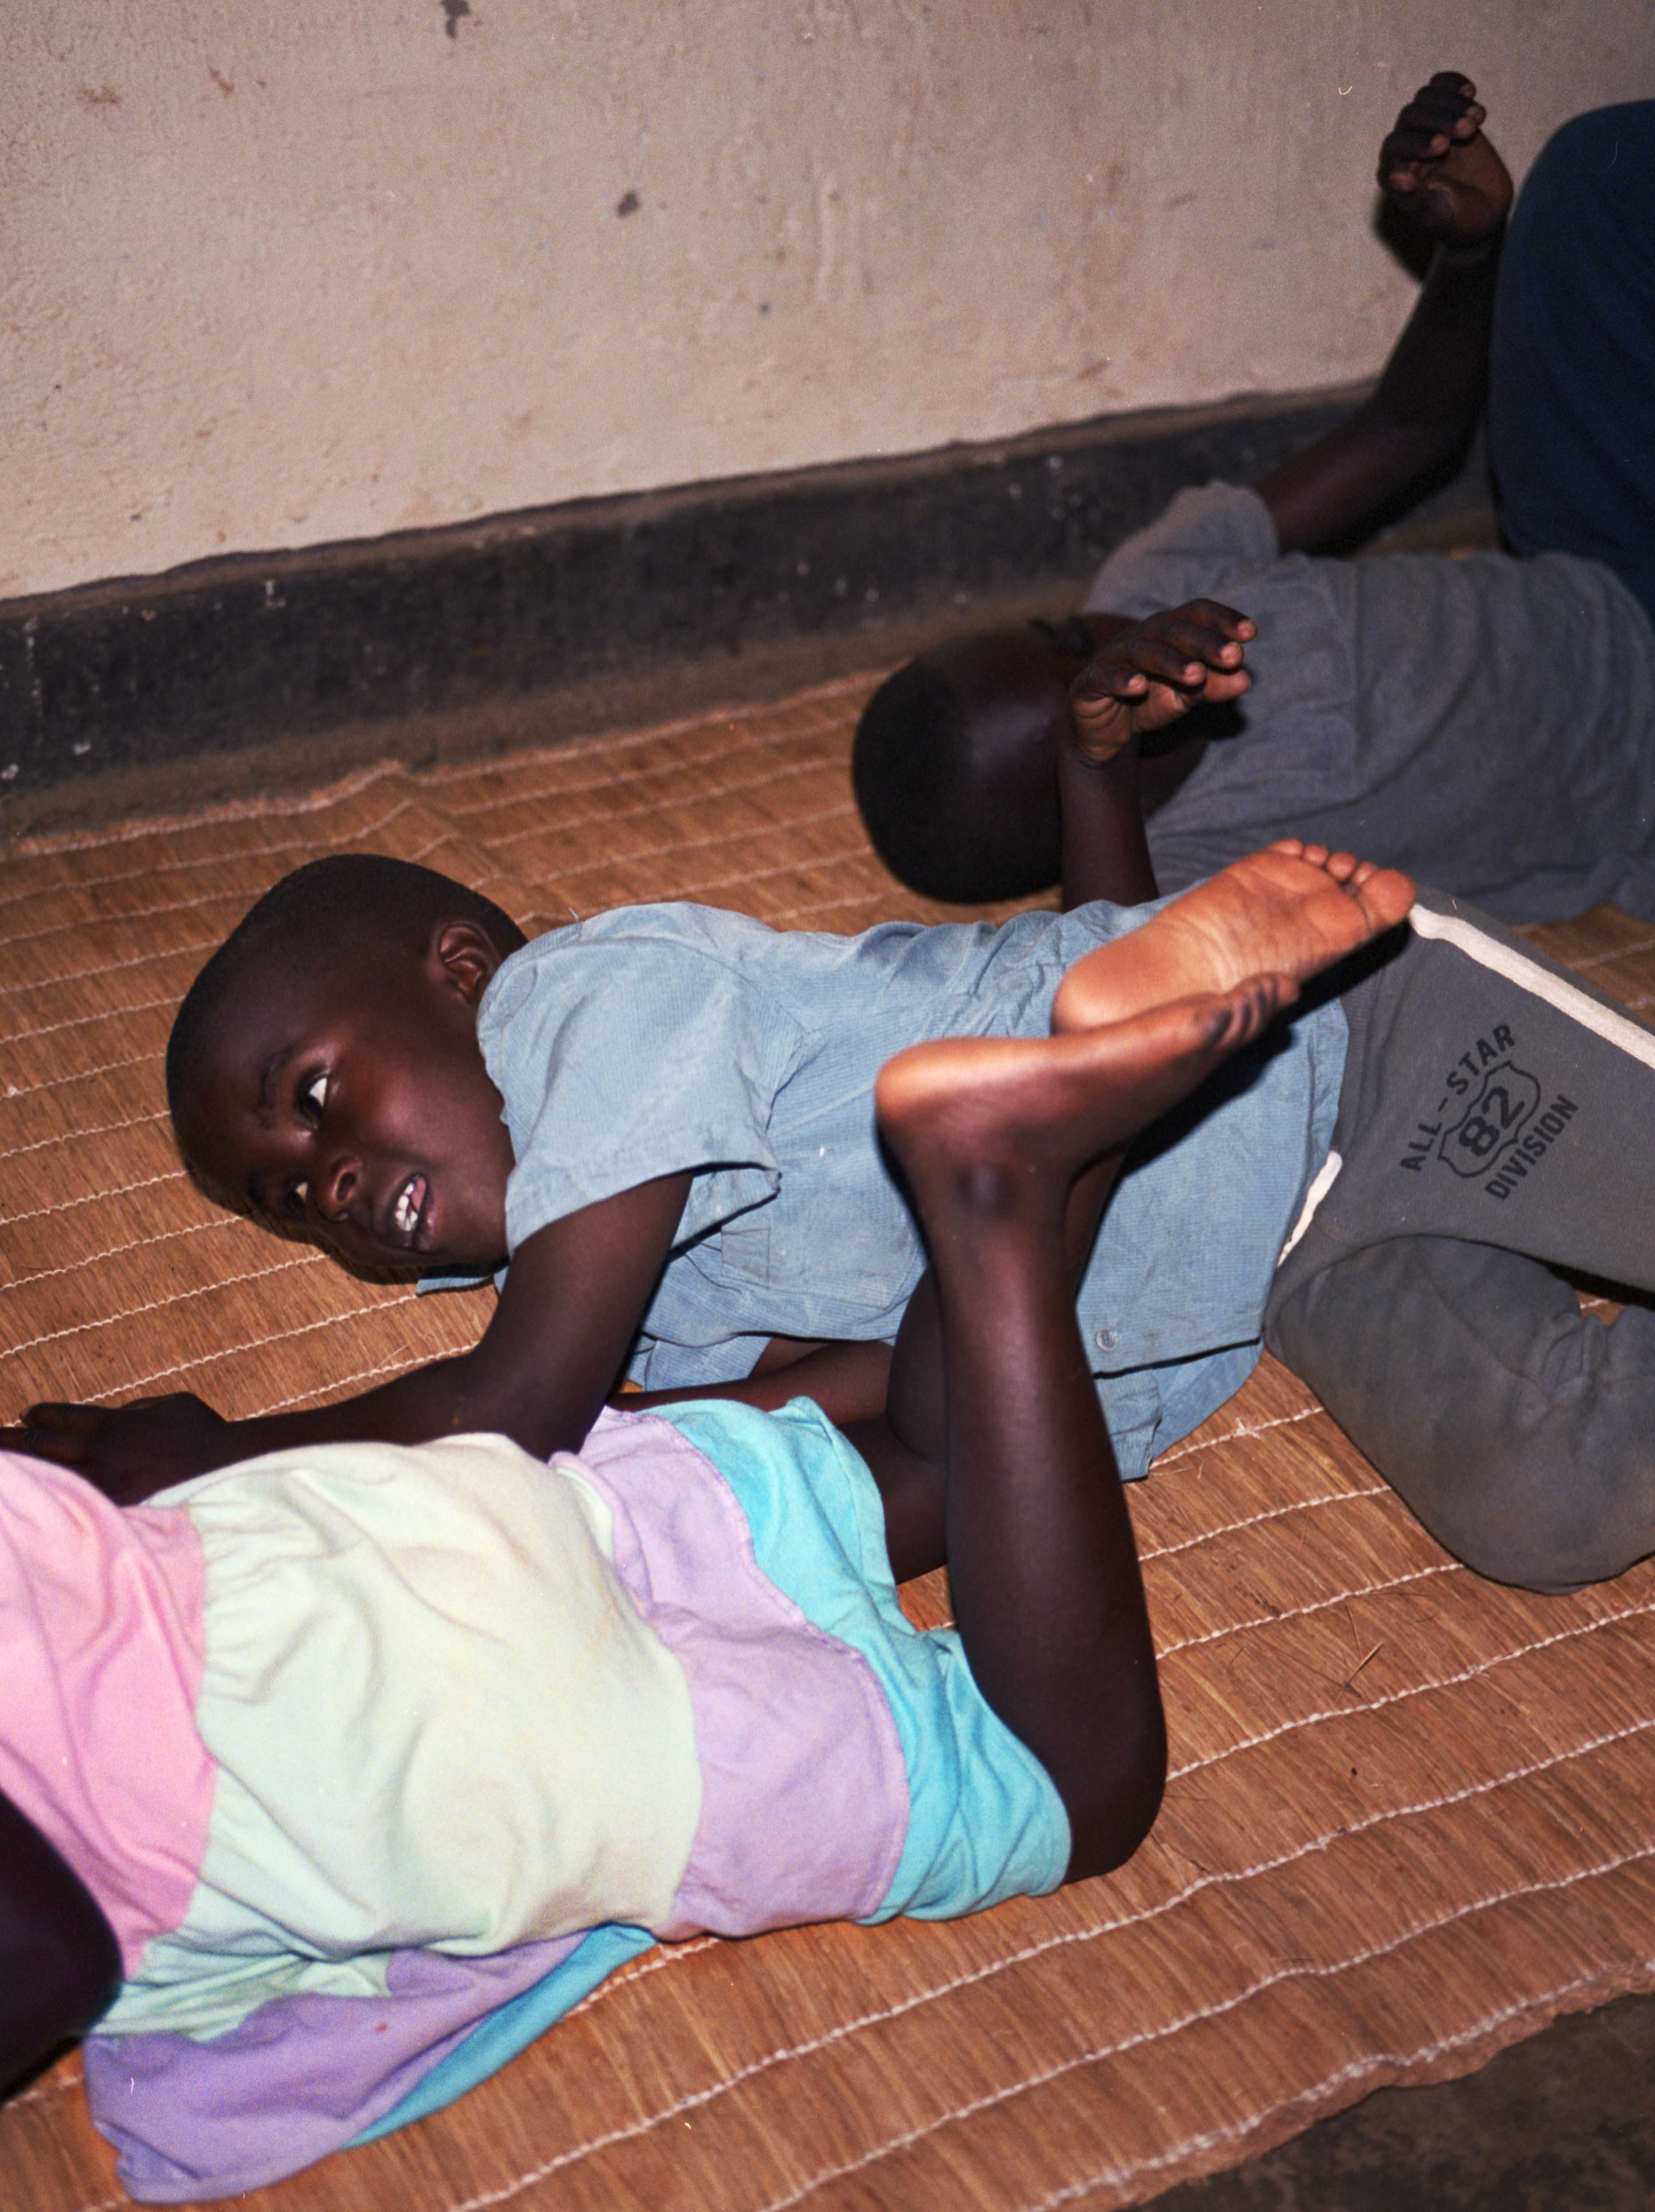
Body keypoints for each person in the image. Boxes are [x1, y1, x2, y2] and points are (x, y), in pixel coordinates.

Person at [1, 923, 1322, 2200]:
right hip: (428, 1538)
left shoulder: (599, 998)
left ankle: (1001, 1198)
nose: (327, 1189)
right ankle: (1034, 1165)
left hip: (528, 1696)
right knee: (926, 1454)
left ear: (459, 970)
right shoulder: (555, 1236)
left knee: (1077, 1788)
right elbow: (641, 1410)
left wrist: (226, 1444)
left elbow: (520, 1403)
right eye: (291, 1202)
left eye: (315, 1098)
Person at [851, 77, 1655, 924]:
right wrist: (1099, 784)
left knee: (1589, 179)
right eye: (1099, 717)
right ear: (1089, 816)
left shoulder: (1158, 577)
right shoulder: (1199, 868)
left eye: (1073, 637)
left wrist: (1468, 252)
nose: (1123, 659)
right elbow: (1118, 969)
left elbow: (1407, 430)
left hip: (1601, 561)